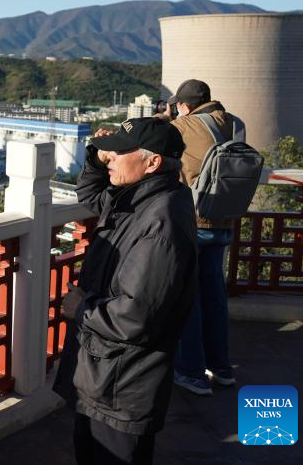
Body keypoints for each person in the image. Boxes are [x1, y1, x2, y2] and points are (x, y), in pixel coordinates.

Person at [53, 117, 197, 465]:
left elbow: (136, 316)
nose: (111, 158)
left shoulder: (160, 222)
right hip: (107, 374)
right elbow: (89, 194)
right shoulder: (138, 200)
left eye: (120, 152)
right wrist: (95, 158)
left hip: (122, 383)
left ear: (152, 161)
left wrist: (82, 308)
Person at [167, 79, 242, 395]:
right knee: (214, 295)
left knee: (188, 296)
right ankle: (222, 368)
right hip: (225, 219)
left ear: (184, 105)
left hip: (194, 219)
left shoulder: (182, 125)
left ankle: (192, 373)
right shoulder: (236, 124)